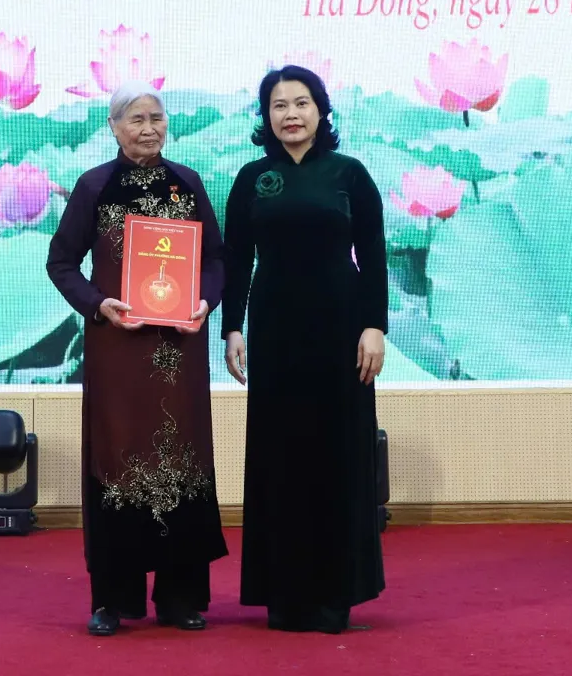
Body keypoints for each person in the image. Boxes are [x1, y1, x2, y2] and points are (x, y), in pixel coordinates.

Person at [46, 82, 227, 636]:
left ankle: (179, 597)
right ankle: (113, 600)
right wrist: (98, 305)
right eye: (135, 119)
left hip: (179, 351)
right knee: (117, 458)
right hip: (117, 348)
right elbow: (61, 263)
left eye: (156, 117)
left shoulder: (187, 183)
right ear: (113, 126)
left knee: (181, 456)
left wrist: (205, 301)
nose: (148, 128)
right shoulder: (94, 186)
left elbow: (215, 260)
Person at [222, 65, 387, 633]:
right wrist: (232, 327)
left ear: (321, 110)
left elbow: (373, 254)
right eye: (278, 105)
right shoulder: (253, 178)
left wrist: (374, 327)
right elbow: (237, 258)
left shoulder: (350, 174)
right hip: (275, 329)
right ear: (266, 116)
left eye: (301, 103)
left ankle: (335, 594)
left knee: (338, 455)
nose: (290, 114)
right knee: (280, 456)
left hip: (341, 331)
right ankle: (283, 595)